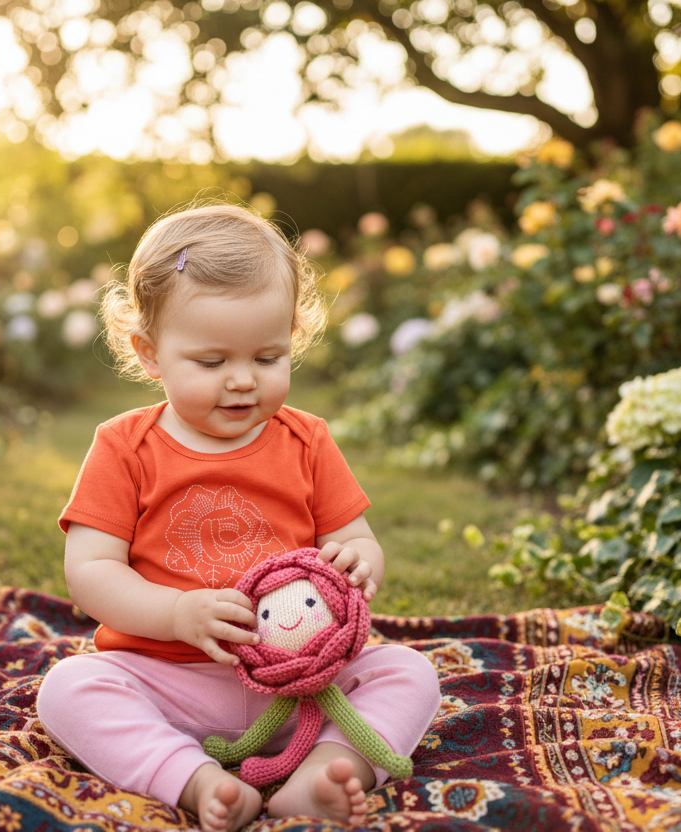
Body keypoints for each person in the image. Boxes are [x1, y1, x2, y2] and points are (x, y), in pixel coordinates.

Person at [37, 202, 441, 832]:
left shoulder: (305, 440)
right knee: (68, 688)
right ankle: (193, 780)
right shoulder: (124, 446)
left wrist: (360, 561)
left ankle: (322, 773)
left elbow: (354, 539)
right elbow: (90, 571)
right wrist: (175, 613)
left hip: (302, 684)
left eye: (267, 357)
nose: (242, 381)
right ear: (150, 354)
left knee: (408, 672)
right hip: (166, 678)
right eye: (211, 362)